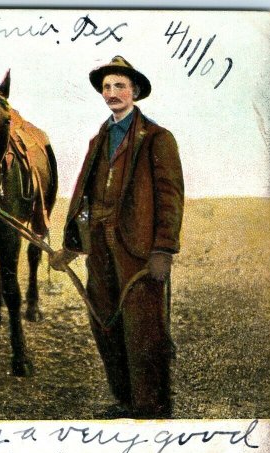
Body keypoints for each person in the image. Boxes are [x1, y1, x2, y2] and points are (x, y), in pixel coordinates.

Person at [50, 56, 184, 419]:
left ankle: (151, 406)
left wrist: (163, 250)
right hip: (100, 248)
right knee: (105, 323)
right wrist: (72, 248)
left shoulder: (157, 138)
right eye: (107, 87)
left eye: (119, 86)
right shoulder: (100, 139)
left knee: (143, 328)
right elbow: (87, 197)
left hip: (138, 251)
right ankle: (124, 401)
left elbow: (170, 198)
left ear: (135, 91)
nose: (112, 93)